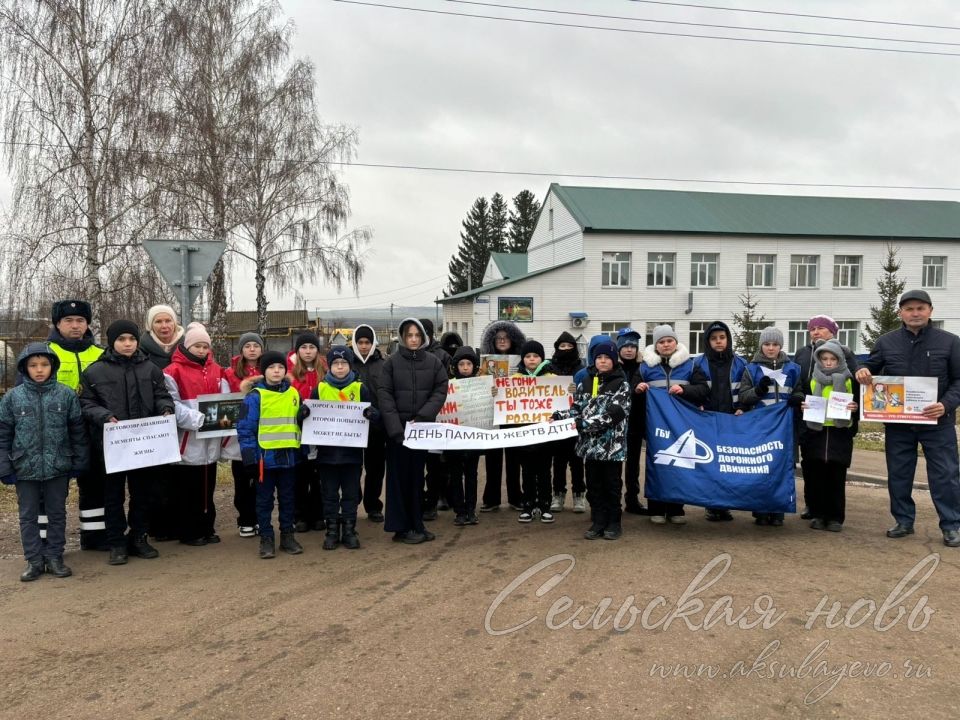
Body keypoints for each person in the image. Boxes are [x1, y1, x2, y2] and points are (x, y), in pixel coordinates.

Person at [855, 290, 960, 547]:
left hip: (938, 422)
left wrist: (945, 405)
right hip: (899, 423)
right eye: (909, 309)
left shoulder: (950, 342)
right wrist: (862, 370)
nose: (915, 313)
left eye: (920, 308)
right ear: (900, 313)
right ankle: (903, 520)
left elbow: (958, 380)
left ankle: (951, 525)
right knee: (899, 474)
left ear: (930, 311)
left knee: (945, 475)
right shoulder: (886, 342)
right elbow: (871, 369)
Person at [79, 320, 176, 565]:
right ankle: (116, 542)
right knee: (113, 496)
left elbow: (161, 395)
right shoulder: (94, 371)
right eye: (122, 339)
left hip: (144, 446)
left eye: (131, 339)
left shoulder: (150, 369)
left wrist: (165, 408)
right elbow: (86, 403)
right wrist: (104, 416)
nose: (128, 344)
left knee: (143, 493)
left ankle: (139, 537)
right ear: (113, 342)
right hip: (113, 447)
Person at [0, 343, 88, 581]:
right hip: (24, 467)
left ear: (53, 366)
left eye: (44, 365)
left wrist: (79, 461)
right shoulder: (12, 398)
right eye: (33, 365)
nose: (39, 370)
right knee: (27, 515)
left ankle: (54, 557)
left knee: (57, 513)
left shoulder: (66, 395)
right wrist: (4, 466)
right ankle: (34, 560)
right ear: (24, 368)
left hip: (58, 465)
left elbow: (77, 432)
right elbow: (3, 434)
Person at [379, 318, 448, 544]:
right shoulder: (391, 363)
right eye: (409, 336)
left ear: (424, 337)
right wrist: (396, 429)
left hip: (421, 430)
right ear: (402, 337)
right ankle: (401, 528)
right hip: (398, 432)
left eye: (417, 335)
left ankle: (417, 523)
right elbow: (385, 395)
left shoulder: (433, 362)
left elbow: (440, 389)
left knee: (417, 479)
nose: (414, 339)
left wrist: (423, 417)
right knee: (399, 481)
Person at [553, 339, 631, 540]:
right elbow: (576, 408)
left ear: (614, 360)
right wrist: (558, 416)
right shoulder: (585, 381)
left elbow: (614, 415)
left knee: (612, 485)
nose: (603, 361)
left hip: (612, 448)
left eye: (607, 358)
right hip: (590, 447)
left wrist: (583, 424)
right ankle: (598, 520)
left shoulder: (621, 383)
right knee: (594, 485)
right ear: (594, 360)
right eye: (599, 358)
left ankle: (614, 521)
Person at [46, 299, 105, 551]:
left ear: (88, 323)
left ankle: (94, 538)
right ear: (58, 324)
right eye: (68, 320)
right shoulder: (44, 353)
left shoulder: (101, 354)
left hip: (93, 431)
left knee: (94, 485)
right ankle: (47, 544)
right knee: (52, 489)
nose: (75, 325)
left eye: (80, 320)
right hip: (56, 433)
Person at [634, 325, 707, 525]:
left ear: (676, 342)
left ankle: (676, 509)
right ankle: (655, 508)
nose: (666, 345)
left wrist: (685, 390)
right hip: (654, 426)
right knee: (657, 464)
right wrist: (637, 388)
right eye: (661, 342)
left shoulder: (690, 366)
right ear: (655, 345)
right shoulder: (644, 367)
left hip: (681, 424)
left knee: (680, 466)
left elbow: (703, 390)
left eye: (669, 341)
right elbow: (632, 390)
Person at [163, 322, 228, 546]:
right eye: (197, 346)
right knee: (188, 489)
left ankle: (207, 526)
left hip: (210, 439)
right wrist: (196, 420)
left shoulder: (217, 369)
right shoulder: (173, 371)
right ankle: (188, 531)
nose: (201, 350)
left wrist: (225, 419)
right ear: (187, 346)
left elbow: (226, 400)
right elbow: (172, 403)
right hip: (188, 440)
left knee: (208, 487)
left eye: (205, 346)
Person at [308, 346, 379, 549]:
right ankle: (331, 531)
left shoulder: (359, 389)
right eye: (336, 364)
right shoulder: (320, 389)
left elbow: (373, 416)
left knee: (350, 494)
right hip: (327, 455)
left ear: (350, 365)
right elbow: (309, 420)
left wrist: (372, 415)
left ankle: (348, 529)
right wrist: (303, 413)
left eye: (344, 363)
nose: (340, 367)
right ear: (329, 366)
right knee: (329, 494)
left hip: (352, 455)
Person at [237, 351, 305, 559]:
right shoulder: (254, 397)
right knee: (264, 501)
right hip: (263, 460)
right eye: (271, 367)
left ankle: (287, 535)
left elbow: (299, 425)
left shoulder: (294, 394)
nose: (276, 371)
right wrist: (249, 458)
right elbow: (245, 429)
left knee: (287, 499)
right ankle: (266, 537)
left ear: (286, 370)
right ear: (263, 370)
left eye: (280, 367)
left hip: (289, 458)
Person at [792, 314, 858, 519]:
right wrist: (801, 400)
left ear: (832, 331)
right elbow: (797, 382)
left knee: (833, 469)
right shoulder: (802, 353)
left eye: (821, 328)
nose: (816, 332)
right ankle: (812, 506)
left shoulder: (846, 354)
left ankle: (831, 512)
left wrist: (855, 408)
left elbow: (855, 382)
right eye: (812, 329)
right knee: (810, 466)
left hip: (838, 423)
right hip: (810, 417)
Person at [739, 327, 803, 526]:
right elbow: (743, 396)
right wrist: (758, 390)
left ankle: (778, 510)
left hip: (785, 428)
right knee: (762, 467)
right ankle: (761, 510)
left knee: (783, 468)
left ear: (781, 346)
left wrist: (797, 398)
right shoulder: (752, 369)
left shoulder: (793, 368)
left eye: (775, 344)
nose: (771, 348)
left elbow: (800, 391)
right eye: (767, 344)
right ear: (761, 346)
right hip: (761, 428)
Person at [691, 320, 747, 523]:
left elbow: (746, 391)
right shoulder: (698, 363)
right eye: (714, 338)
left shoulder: (741, 363)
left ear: (728, 339)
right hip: (707, 421)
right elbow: (693, 388)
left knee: (728, 464)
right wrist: (698, 405)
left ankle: (726, 505)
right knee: (710, 464)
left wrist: (743, 407)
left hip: (732, 421)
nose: (718, 342)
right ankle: (712, 505)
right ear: (708, 341)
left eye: (722, 337)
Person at [478, 320, 525, 512]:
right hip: (492, 412)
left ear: (513, 339)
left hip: (513, 413)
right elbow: (479, 385)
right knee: (492, 457)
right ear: (493, 340)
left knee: (514, 458)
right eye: (498, 338)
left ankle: (516, 497)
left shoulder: (521, 362)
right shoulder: (485, 362)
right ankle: (491, 498)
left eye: (506, 337)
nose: (503, 341)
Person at [222, 332, 264, 538]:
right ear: (241, 350)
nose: (252, 349)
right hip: (239, 434)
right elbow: (223, 401)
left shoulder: (271, 370)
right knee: (241, 478)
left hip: (264, 434)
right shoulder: (230, 373)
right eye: (247, 346)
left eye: (255, 345)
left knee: (261, 478)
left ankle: (260, 517)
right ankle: (245, 519)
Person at [513, 340, 557, 524]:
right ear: (523, 359)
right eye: (528, 356)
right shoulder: (514, 379)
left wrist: (568, 391)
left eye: (536, 356)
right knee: (528, 472)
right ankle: (528, 505)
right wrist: (496, 392)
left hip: (546, 435)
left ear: (542, 358)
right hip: (525, 434)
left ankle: (545, 505)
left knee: (545, 472)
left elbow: (562, 400)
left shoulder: (553, 378)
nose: (532, 359)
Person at [288, 331, 325, 533]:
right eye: (304, 347)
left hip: (320, 433)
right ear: (298, 351)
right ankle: (300, 515)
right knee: (299, 476)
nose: (308, 351)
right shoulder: (290, 374)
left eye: (312, 347)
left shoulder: (325, 373)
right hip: (298, 432)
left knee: (318, 476)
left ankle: (318, 514)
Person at [351, 324, 387, 523]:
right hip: (352, 427)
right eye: (360, 342)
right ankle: (352, 502)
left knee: (375, 469)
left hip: (376, 426)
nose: (364, 346)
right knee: (354, 467)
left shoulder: (383, 365)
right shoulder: (347, 364)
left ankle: (373, 506)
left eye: (367, 342)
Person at [418, 318, 452, 518]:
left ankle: (434, 499)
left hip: (439, 418)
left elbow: (451, 385)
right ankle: (420, 500)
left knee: (436, 464)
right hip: (416, 419)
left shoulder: (442, 356)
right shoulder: (405, 356)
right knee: (415, 465)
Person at [549, 331, 585, 513]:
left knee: (577, 460)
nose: (566, 349)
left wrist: (576, 389)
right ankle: (558, 494)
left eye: (569, 346)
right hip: (556, 422)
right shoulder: (549, 368)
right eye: (562, 346)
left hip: (576, 421)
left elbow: (590, 389)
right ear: (557, 348)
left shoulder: (582, 368)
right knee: (559, 461)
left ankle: (579, 494)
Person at [446, 346, 483, 527]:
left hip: (473, 440)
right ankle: (459, 511)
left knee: (471, 476)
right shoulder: (448, 385)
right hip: (453, 441)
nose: (466, 367)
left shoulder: (481, 385)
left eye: (469, 363)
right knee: (455, 476)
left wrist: (491, 394)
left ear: (474, 366)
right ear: (456, 366)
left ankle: (471, 509)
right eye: (461, 364)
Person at [616, 328, 647, 515]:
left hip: (635, 423)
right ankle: (615, 501)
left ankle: (632, 500)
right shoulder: (612, 367)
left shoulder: (643, 368)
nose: (629, 350)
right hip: (615, 425)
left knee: (633, 465)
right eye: (625, 346)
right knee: (614, 466)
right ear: (619, 348)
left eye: (633, 347)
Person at [139, 304, 184, 369]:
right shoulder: (140, 350)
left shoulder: (188, 347)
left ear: (174, 323)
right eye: (158, 321)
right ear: (150, 325)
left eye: (168, 321)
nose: (164, 326)